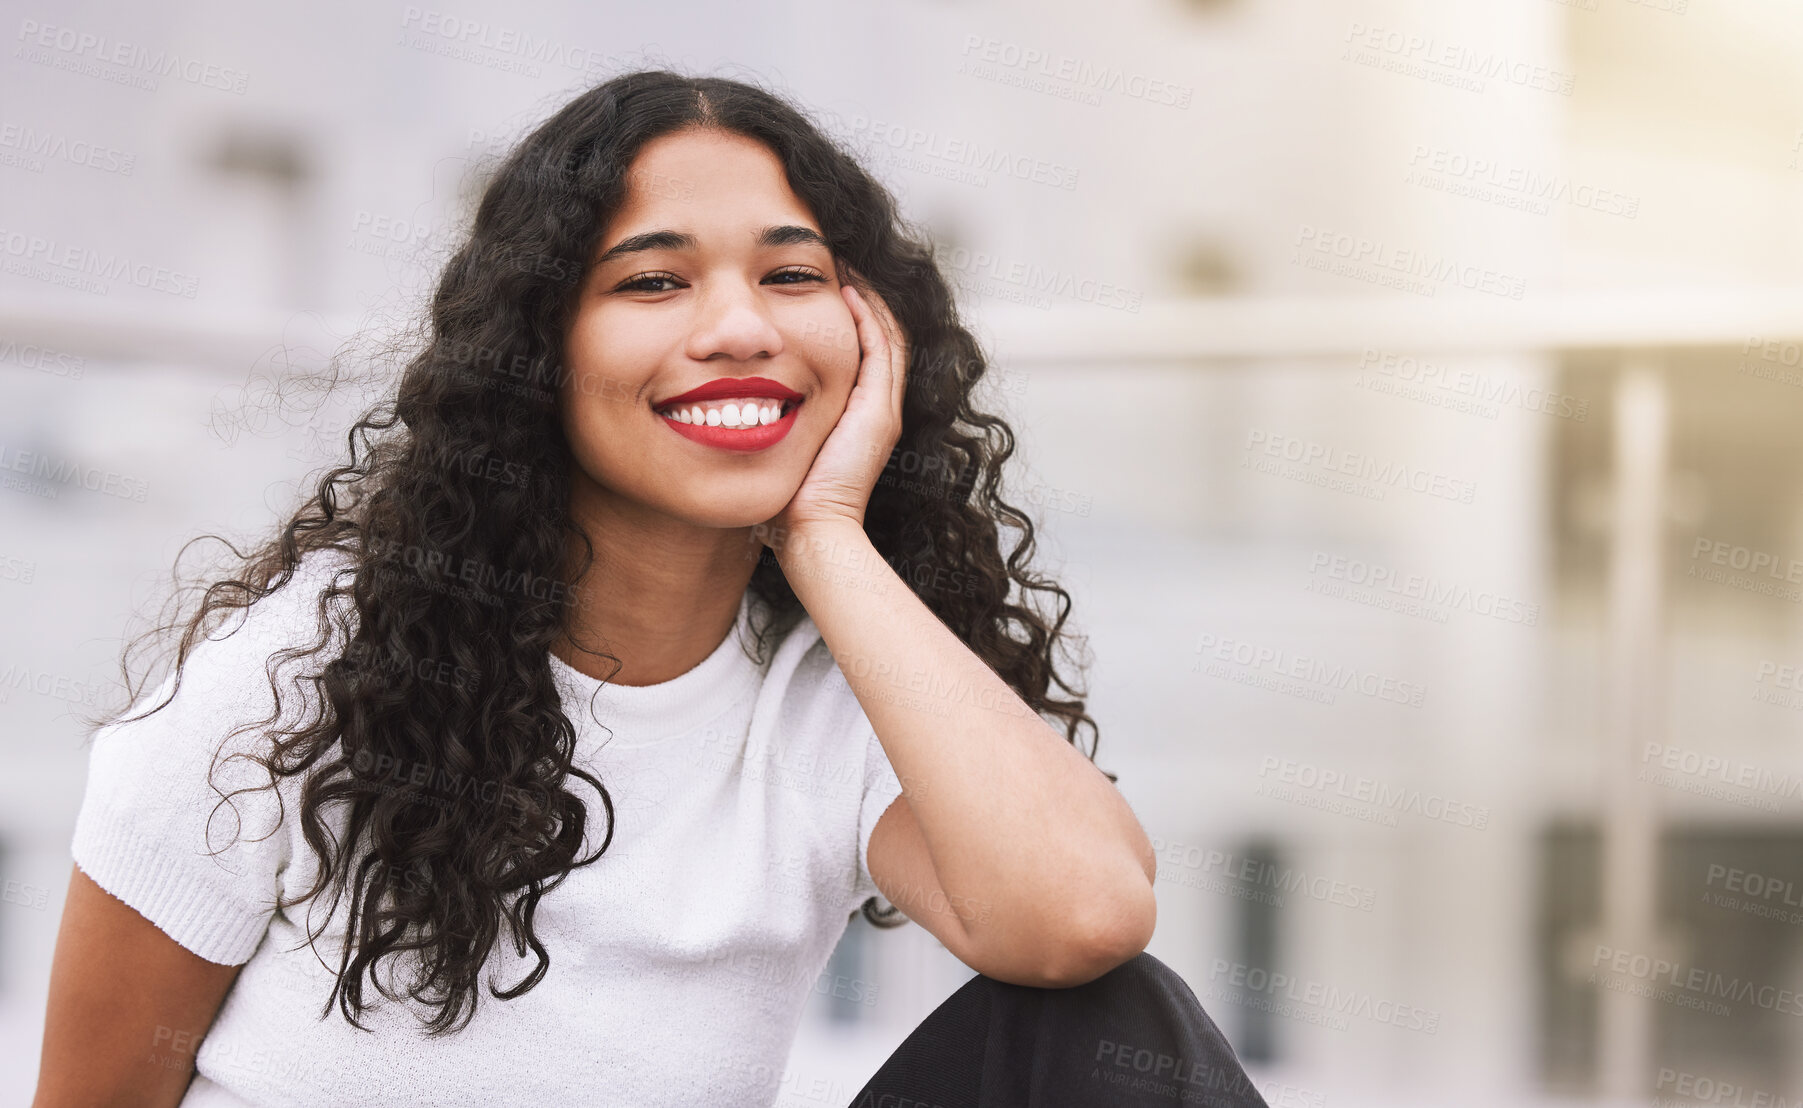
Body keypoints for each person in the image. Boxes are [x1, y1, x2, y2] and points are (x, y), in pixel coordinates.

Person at [31, 70, 1268, 1107]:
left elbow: (1084, 917)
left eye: (792, 277)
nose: (738, 326)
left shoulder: (825, 700)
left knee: (1117, 1033)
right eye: (653, 281)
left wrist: (828, 536)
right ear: (537, 354)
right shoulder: (294, 678)